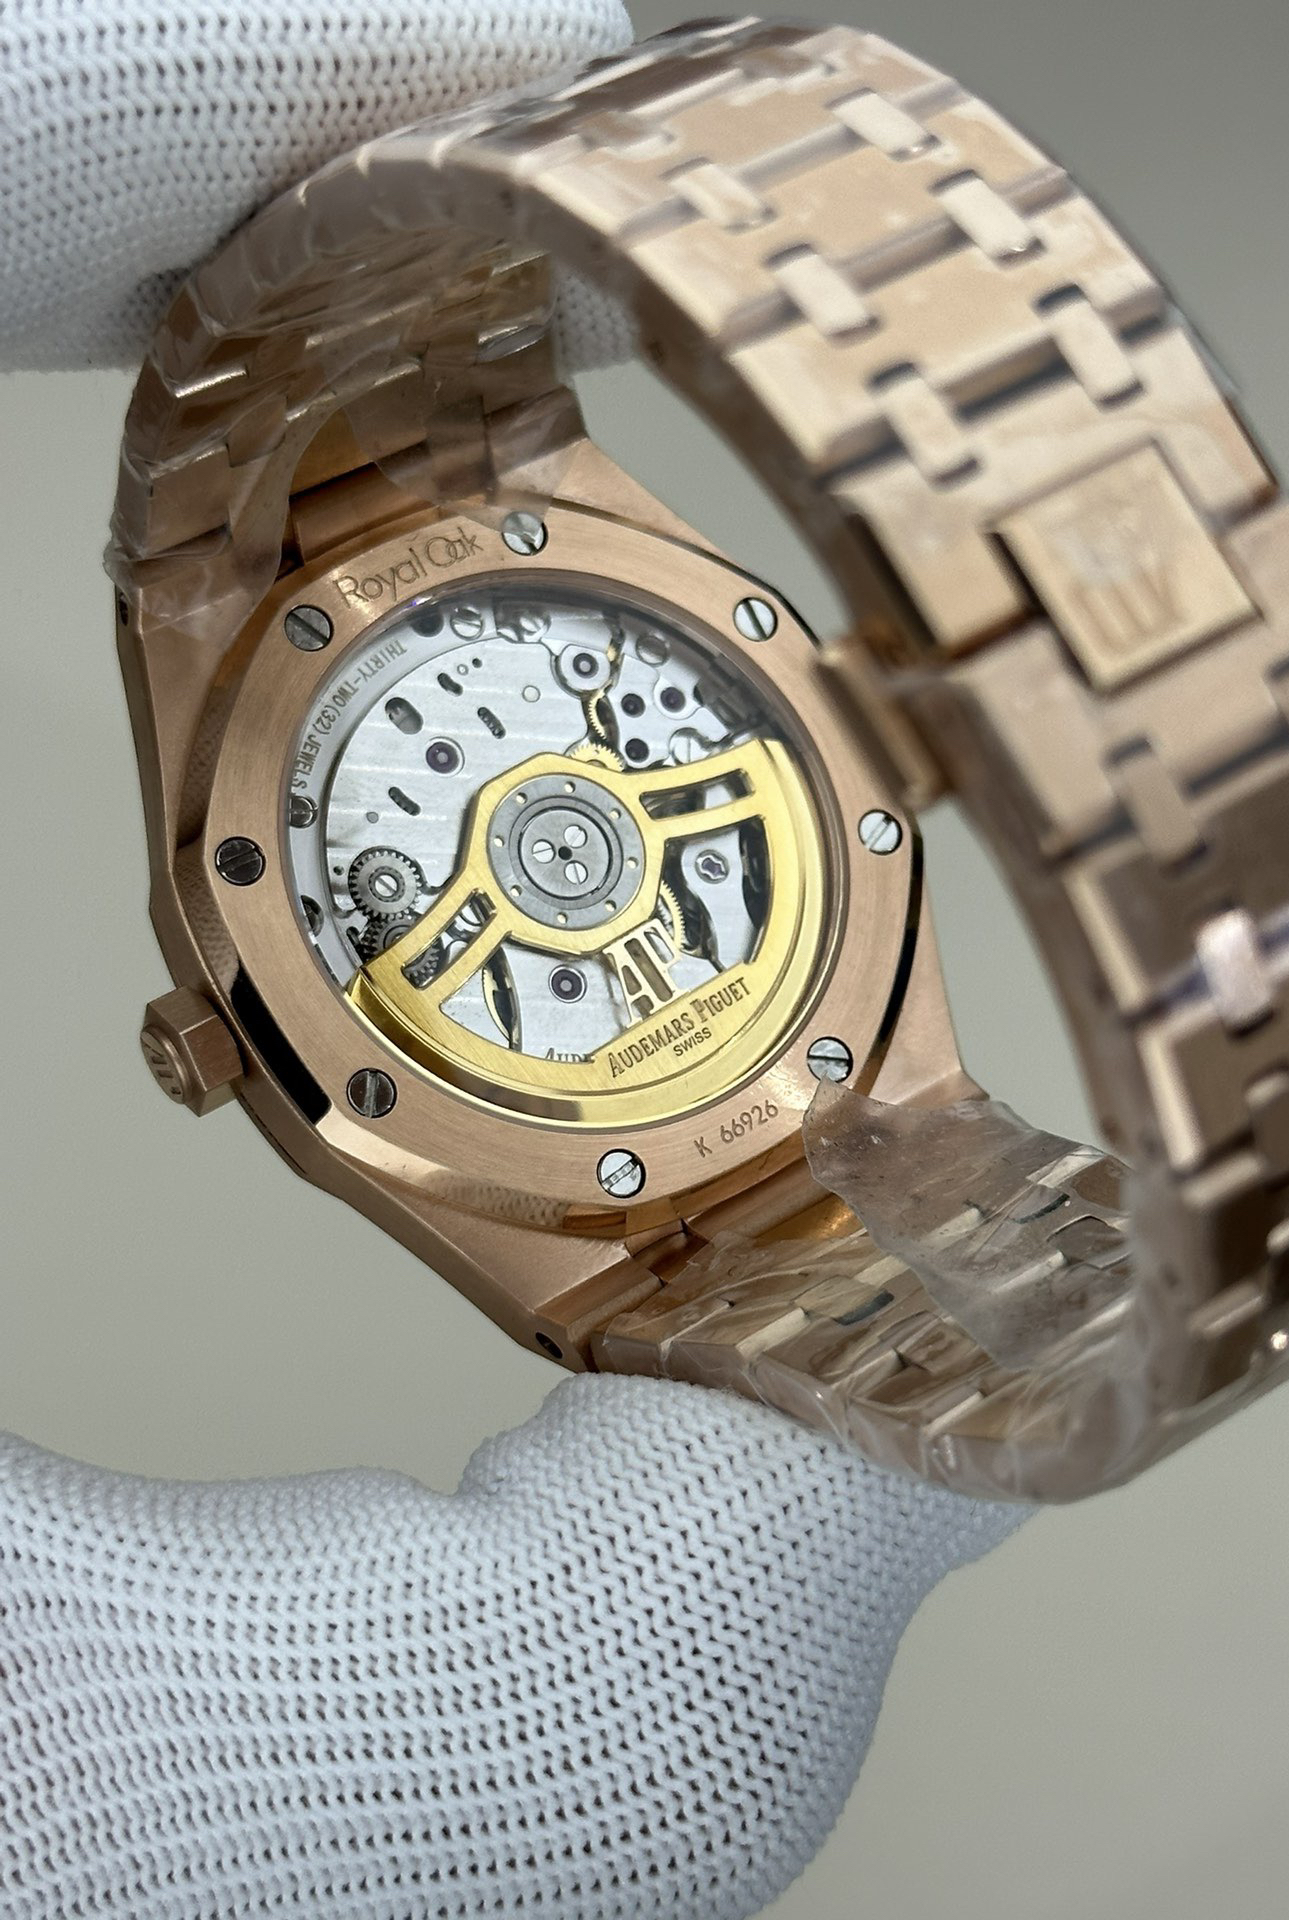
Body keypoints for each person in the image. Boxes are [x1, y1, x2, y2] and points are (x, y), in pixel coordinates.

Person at [0, 6, 1026, 1914]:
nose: (562, 849)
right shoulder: (234, 595)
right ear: (219, 1034)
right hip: (620, 1146)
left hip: (804, 1041)